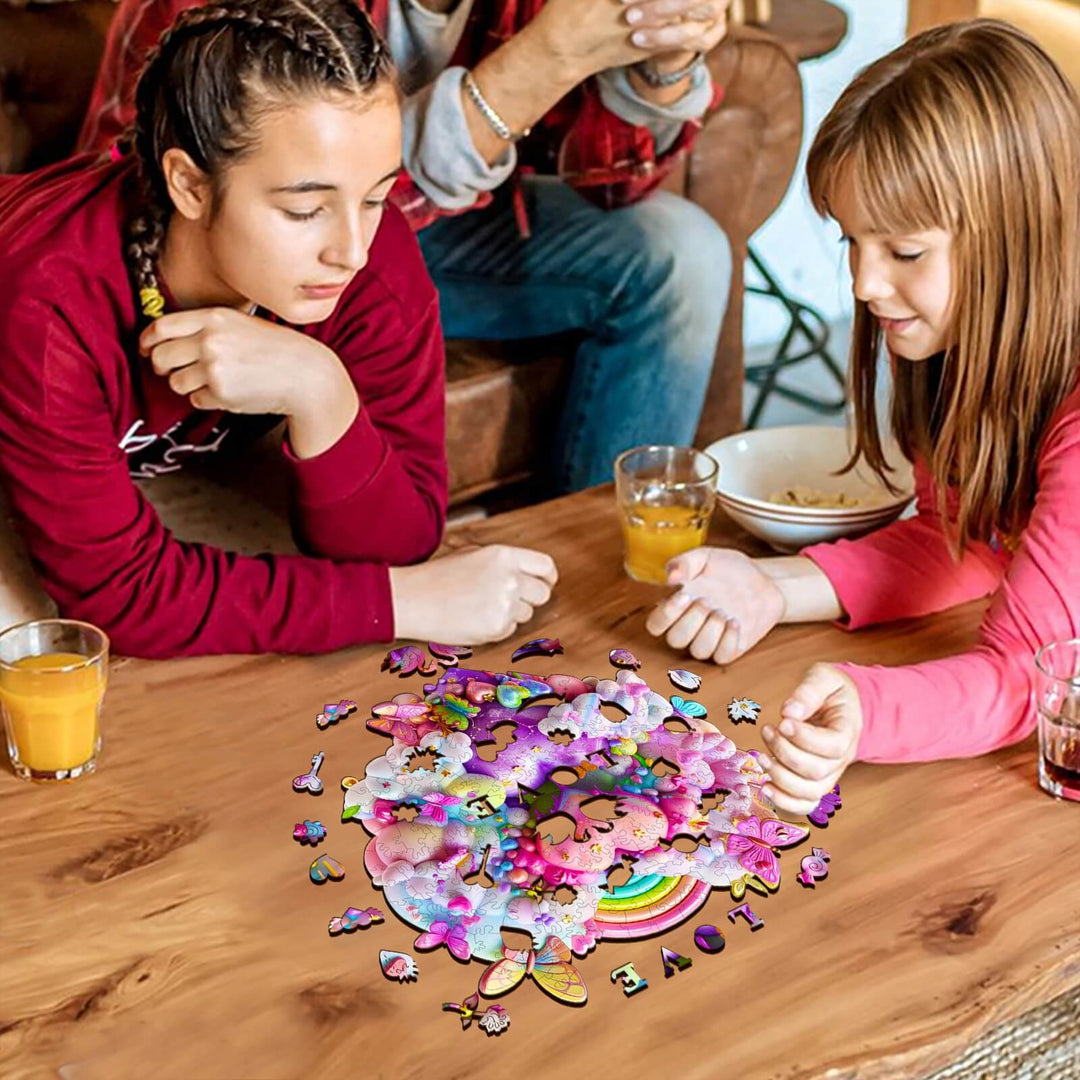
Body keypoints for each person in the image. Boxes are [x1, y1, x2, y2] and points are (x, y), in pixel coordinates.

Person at [0, 0, 556, 656]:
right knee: (32, 649)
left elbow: (402, 537)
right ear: (189, 185)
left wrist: (321, 391)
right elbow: (123, 598)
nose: (351, 249)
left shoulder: (371, 253)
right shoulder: (49, 302)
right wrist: (403, 601)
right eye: (305, 210)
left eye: (375, 196)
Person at [647, 19, 1080, 814]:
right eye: (852, 241)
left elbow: (1034, 674)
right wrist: (772, 587)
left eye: (904, 252)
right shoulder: (962, 347)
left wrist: (868, 709)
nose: (863, 284)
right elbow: (966, 538)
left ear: (1023, 236)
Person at [77, 0, 734, 493]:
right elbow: (161, 205)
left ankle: (606, 563)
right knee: (338, 224)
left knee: (680, 252)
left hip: (433, 224)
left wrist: (661, 63)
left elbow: (617, 187)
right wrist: (544, 60)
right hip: (234, 248)